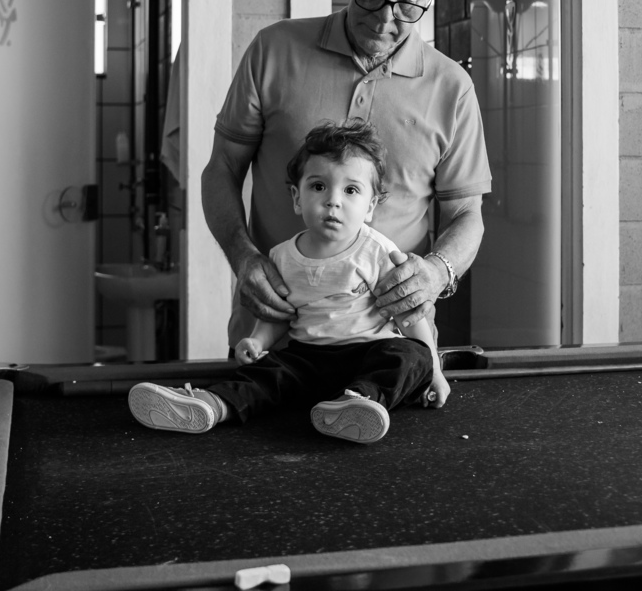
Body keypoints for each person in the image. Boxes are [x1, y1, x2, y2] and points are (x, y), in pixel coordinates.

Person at [202, 0, 491, 409]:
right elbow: (221, 168)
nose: (387, 16)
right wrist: (243, 258)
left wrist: (437, 271)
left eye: (409, 2)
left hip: (385, 353)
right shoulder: (272, 49)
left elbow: (467, 214)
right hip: (273, 345)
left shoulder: (453, 88)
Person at [129, 119, 439, 443]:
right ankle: (211, 405)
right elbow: (277, 314)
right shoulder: (281, 257)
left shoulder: (379, 252)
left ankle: (358, 404)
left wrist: (435, 372)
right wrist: (257, 341)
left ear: (371, 206)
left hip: (369, 354)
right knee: (264, 375)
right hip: (306, 359)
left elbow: (409, 314)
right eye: (318, 186)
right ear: (296, 197)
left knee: (411, 356)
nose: (333, 200)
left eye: (351, 190)